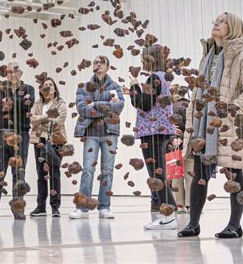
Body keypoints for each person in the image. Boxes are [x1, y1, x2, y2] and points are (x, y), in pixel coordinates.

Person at [179, 13, 243, 239]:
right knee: (199, 172)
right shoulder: (206, 57)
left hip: (229, 127)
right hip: (202, 124)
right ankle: (193, 224)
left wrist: (233, 109)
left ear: (232, 28)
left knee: (233, 173)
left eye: (222, 21)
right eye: (215, 20)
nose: (216, 23)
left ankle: (235, 225)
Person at [130, 44, 178, 230]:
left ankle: (168, 217)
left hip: (152, 132)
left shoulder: (153, 78)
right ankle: (166, 214)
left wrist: (134, 84)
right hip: (162, 131)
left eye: (144, 58)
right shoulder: (164, 78)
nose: (142, 61)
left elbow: (143, 103)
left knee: (156, 174)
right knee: (159, 173)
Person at [70, 55, 125, 220]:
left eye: (102, 62)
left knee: (107, 171)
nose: (98, 64)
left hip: (110, 133)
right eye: (95, 62)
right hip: (91, 134)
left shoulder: (115, 86)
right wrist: (106, 105)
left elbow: (119, 106)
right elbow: (82, 109)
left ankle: (104, 207)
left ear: (108, 67)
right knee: (88, 169)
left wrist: (94, 104)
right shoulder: (84, 87)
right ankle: (82, 207)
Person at [0, 62, 35, 220]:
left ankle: (18, 208)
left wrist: (9, 102)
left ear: (20, 72)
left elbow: (28, 106)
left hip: (21, 134)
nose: (11, 74)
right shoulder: (0, 88)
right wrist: (17, 101)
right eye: (9, 71)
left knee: (19, 173)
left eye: (15, 71)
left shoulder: (29, 89)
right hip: (2, 134)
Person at [29, 76, 67, 218]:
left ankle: (55, 207)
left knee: (54, 173)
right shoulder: (37, 103)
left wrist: (41, 119)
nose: (48, 87)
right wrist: (47, 117)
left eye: (51, 84)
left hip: (56, 141)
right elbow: (32, 119)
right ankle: (41, 207)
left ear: (55, 88)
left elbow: (58, 121)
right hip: (40, 140)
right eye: (45, 85)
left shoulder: (60, 104)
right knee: (41, 174)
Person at [169, 85, 191, 213]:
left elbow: (173, 128)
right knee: (190, 176)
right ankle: (189, 204)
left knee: (176, 176)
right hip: (189, 145)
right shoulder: (188, 105)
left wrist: (174, 137)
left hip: (175, 145)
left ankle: (179, 204)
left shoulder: (172, 107)